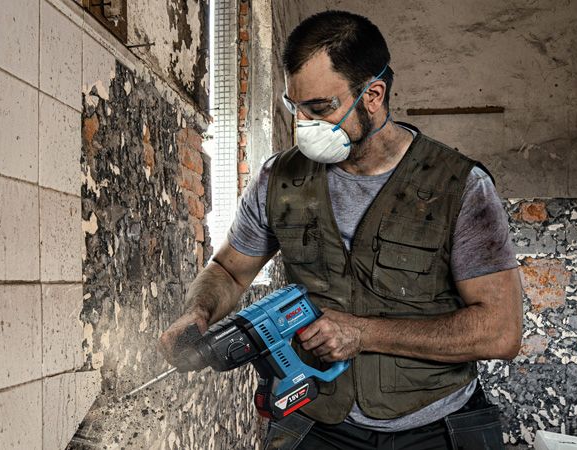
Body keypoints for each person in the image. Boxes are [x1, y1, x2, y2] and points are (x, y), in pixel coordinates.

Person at [160, 10, 523, 449]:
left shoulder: (459, 186)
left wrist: (364, 333)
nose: (303, 126)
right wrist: (199, 311)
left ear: (373, 95)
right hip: (318, 421)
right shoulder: (279, 179)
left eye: (320, 109)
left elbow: (500, 331)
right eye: (295, 108)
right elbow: (229, 271)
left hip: (434, 426)